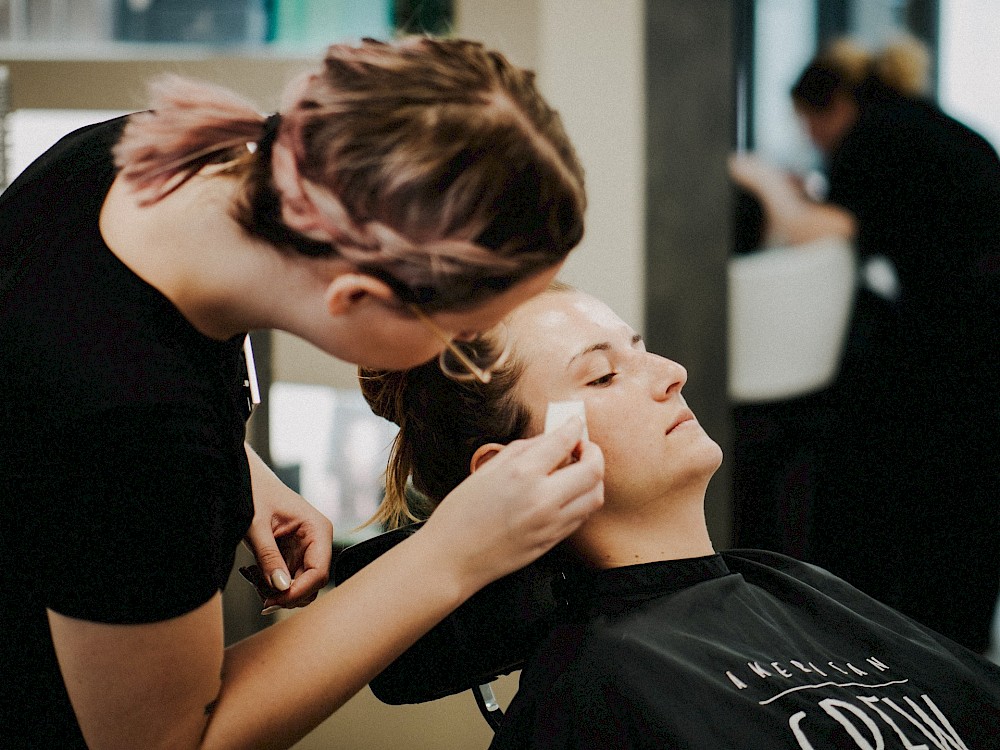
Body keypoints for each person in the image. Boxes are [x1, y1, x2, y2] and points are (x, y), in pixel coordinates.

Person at [0, 37, 605, 749]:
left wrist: (233, 465)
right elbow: (166, 743)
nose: (463, 357)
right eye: (462, 333)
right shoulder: (133, 429)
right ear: (356, 297)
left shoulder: (150, 165)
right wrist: (450, 555)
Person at [360, 282, 1000, 749]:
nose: (672, 374)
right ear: (519, 468)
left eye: (643, 352)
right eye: (605, 376)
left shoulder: (795, 587)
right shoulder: (594, 695)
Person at [727, 35, 1000, 654]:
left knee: (926, 491)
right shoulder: (934, 129)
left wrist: (761, 181)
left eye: (808, 123)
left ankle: (920, 644)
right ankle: (959, 650)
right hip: (980, 341)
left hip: (958, 344)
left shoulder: (876, 140)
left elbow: (815, 229)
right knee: (971, 499)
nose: (812, 139)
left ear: (830, 109)